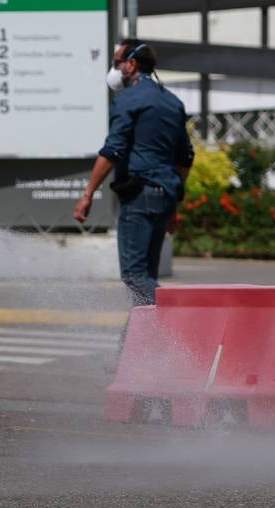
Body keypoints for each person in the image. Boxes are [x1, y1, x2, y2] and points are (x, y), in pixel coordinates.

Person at [73, 39, 194, 344]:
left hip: (140, 196)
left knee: (135, 277)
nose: (114, 70)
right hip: (164, 196)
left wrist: (88, 193)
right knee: (145, 278)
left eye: (116, 63)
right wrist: (174, 204)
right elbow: (185, 158)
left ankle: (181, 319)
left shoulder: (129, 99)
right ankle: (133, 353)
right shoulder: (172, 102)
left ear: (131, 65)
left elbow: (112, 151)